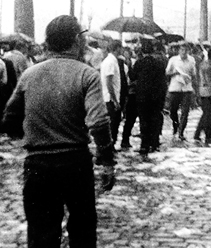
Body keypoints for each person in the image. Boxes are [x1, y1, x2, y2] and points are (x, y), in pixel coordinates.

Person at [0, 15, 115, 247]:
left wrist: (37, 133)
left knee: (41, 233)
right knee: (82, 231)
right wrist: (107, 161)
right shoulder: (86, 74)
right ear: (75, 40)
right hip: (75, 164)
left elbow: (9, 120)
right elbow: (99, 123)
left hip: (38, 165)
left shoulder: (29, 75)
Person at [130, 41, 167, 155]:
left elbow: (132, 76)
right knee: (155, 118)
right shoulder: (159, 63)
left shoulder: (139, 62)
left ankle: (144, 145)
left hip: (142, 96)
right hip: (156, 96)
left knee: (144, 120)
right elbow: (163, 80)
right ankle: (154, 142)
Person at [165, 42, 197, 141]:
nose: (184, 52)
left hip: (186, 89)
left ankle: (181, 132)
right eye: (182, 50)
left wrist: (190, 79)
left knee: (185, 112)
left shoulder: (191, 60)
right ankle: (176, 125)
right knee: (172, 111)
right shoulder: (173, 60)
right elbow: (167, 72)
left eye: (186, 50)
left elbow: (194, 74)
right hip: (174, 88)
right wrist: (175, 73)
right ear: (179, 50)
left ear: (189, 51)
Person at [100, 40, 123, 146]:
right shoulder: (110, 62)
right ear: (117, 48)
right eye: (120, 47)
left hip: (109, 97)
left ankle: (109, 146)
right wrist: (115, 101)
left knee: (113, 124)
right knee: (113, 124)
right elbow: (109, 82)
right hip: (110, 99)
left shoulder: (110, 61)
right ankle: (109, 146)